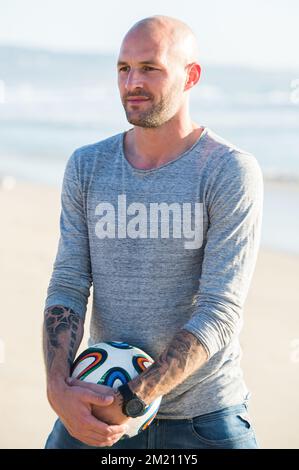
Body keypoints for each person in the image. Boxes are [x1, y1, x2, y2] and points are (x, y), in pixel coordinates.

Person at [43, 15, 263, 449]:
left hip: (202, 419)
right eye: (124, 69)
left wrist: (134, 400)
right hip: (96, 405)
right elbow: (68, 284)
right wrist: (58, 390)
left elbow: (220, 310)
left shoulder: (229, 171)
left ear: (190, 76)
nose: (132, 83)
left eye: (150, 68)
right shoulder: (87, 166)